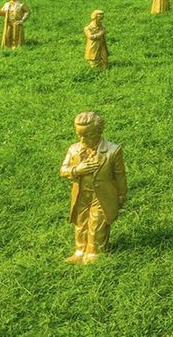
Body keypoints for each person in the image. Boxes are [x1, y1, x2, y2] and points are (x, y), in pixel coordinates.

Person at [60, 111, 127, 264]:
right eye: (79, 135)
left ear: (99, 132)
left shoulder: (113, 151)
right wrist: (77, 170)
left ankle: (95, 251)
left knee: (97, 222)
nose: (83, 139)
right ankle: (80, 251)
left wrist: (121, 195)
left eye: (88, 135)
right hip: (81, 194)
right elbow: (63, 170)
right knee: (80, 222)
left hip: (102, 195)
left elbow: (120, 176)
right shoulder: (74, 149)